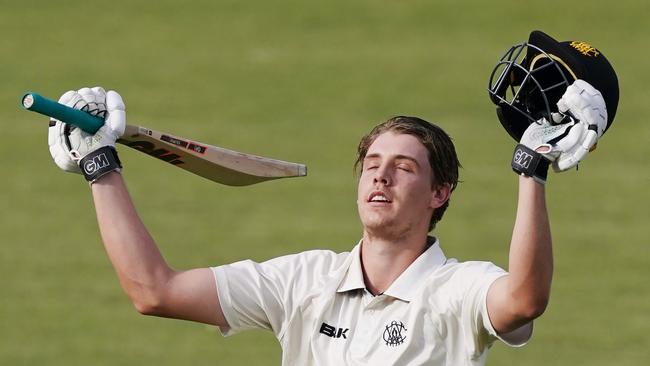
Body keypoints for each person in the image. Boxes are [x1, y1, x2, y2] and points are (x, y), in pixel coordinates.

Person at [46, 32, 616, 366]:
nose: (381, 178)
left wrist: (530, 172)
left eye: (403, 168)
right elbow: (154, 291)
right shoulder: (303, 281)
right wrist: (101, 167)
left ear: (440, 193)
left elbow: (524, 299)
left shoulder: (456, 291)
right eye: (371, 166)